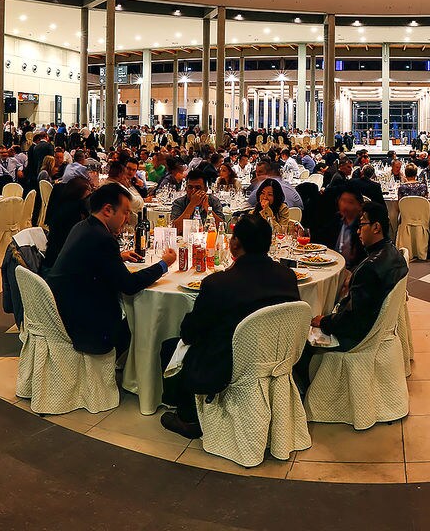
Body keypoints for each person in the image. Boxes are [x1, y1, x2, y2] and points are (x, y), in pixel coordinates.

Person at [159, 213, 302, 439]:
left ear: (234, 243)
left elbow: (190, 333)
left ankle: (189, 418)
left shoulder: (218, 284)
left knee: (170, 346)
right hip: (274, 357)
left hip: (227, 364)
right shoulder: (287, 276)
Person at [44, 183, 176, 358]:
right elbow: (129, 285)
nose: (127, 219)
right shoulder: (103, 238)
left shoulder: (83, 226)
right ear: (107, 210)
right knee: (143, 322)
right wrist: (163, 264)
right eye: (125, 212)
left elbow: (90, 261)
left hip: (61, 308)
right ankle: (138, 369)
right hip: (82, 323)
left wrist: (118, 257)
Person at [294, 201, 406, 394]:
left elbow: (352, 322)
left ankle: (307, 390)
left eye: (362, 225)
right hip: (377, 329)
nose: (358, 231)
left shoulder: (370, 268)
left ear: (376, 227)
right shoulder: (393, 253)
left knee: (302, 336)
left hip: (359, 338)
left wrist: (324, 321)